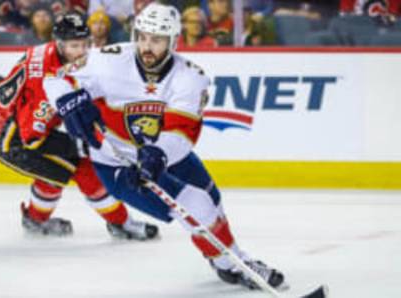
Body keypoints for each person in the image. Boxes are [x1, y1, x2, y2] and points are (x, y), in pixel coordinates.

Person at [44, 2, 284, 289]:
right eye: (142, 37)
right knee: (197, 205)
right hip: (118, 163)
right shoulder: (107, 60)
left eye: (156, 40)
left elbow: (181, 132)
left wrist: (158, 155)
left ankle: (223, 262)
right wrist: (67, 101)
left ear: (173, 41)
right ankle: (236, 264)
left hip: (167, 155)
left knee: (212, 200)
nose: (147, 46)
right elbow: (55, 78)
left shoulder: (191, 78)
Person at [0, 11, 158, 239]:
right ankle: (121, 224)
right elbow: (31, 134)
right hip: (9, 136)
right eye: (75, 46)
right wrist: (81, 139)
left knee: (60, 169)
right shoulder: (46, 81)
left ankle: (35, 220)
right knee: (78, 167)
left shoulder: (57, 56)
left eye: (85, 44)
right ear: (60, 44)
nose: (82, 51)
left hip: (7, 116)